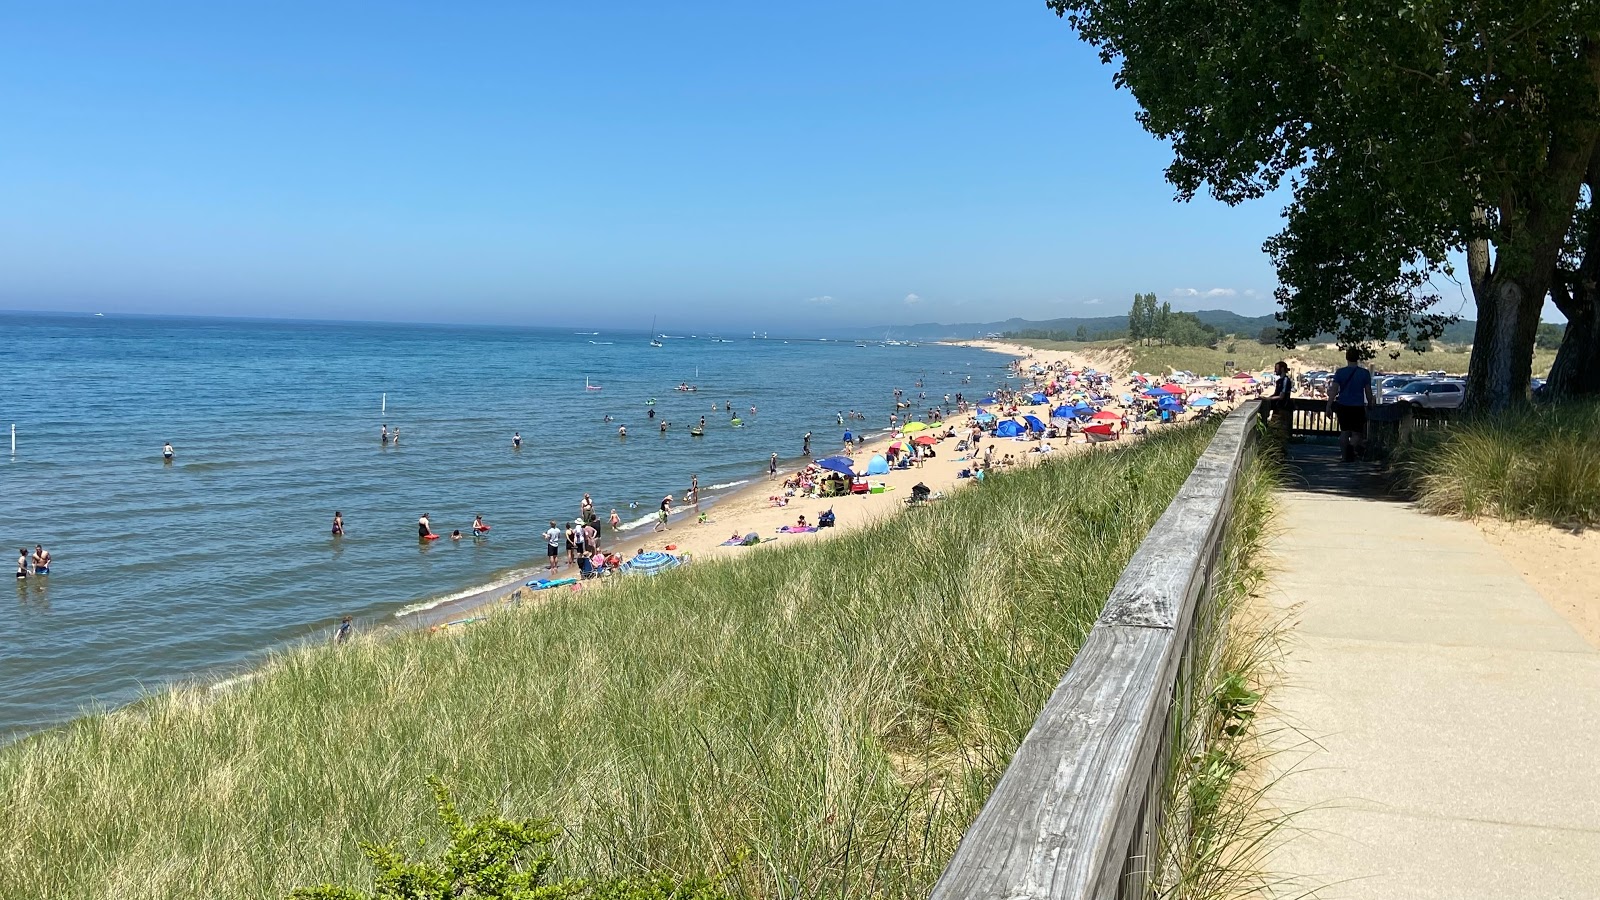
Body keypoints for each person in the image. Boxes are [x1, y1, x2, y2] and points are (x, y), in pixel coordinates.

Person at [1328, 348, 1376, 462]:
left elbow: (1333, 390)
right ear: (1358, 358)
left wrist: (1328, 405)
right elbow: (1368, 392)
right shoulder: (1364, 373)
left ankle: (1344, 456)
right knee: (1357, 433)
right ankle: (1352, 449)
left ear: (1346, 357)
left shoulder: (1340, 372)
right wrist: (1370, 404)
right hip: (1357, 406)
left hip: (1343, 405)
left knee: (1344, 432)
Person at [1270, 361, 1294, 435]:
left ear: (1282, 369)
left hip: (1283, 409)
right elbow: (1276, 394)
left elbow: (1281, 396)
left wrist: (1268, 399)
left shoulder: (1285, 380)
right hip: (1278, 408)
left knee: (1280, 431)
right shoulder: (1280, 381)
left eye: (1277, 369)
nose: (1275, 370)